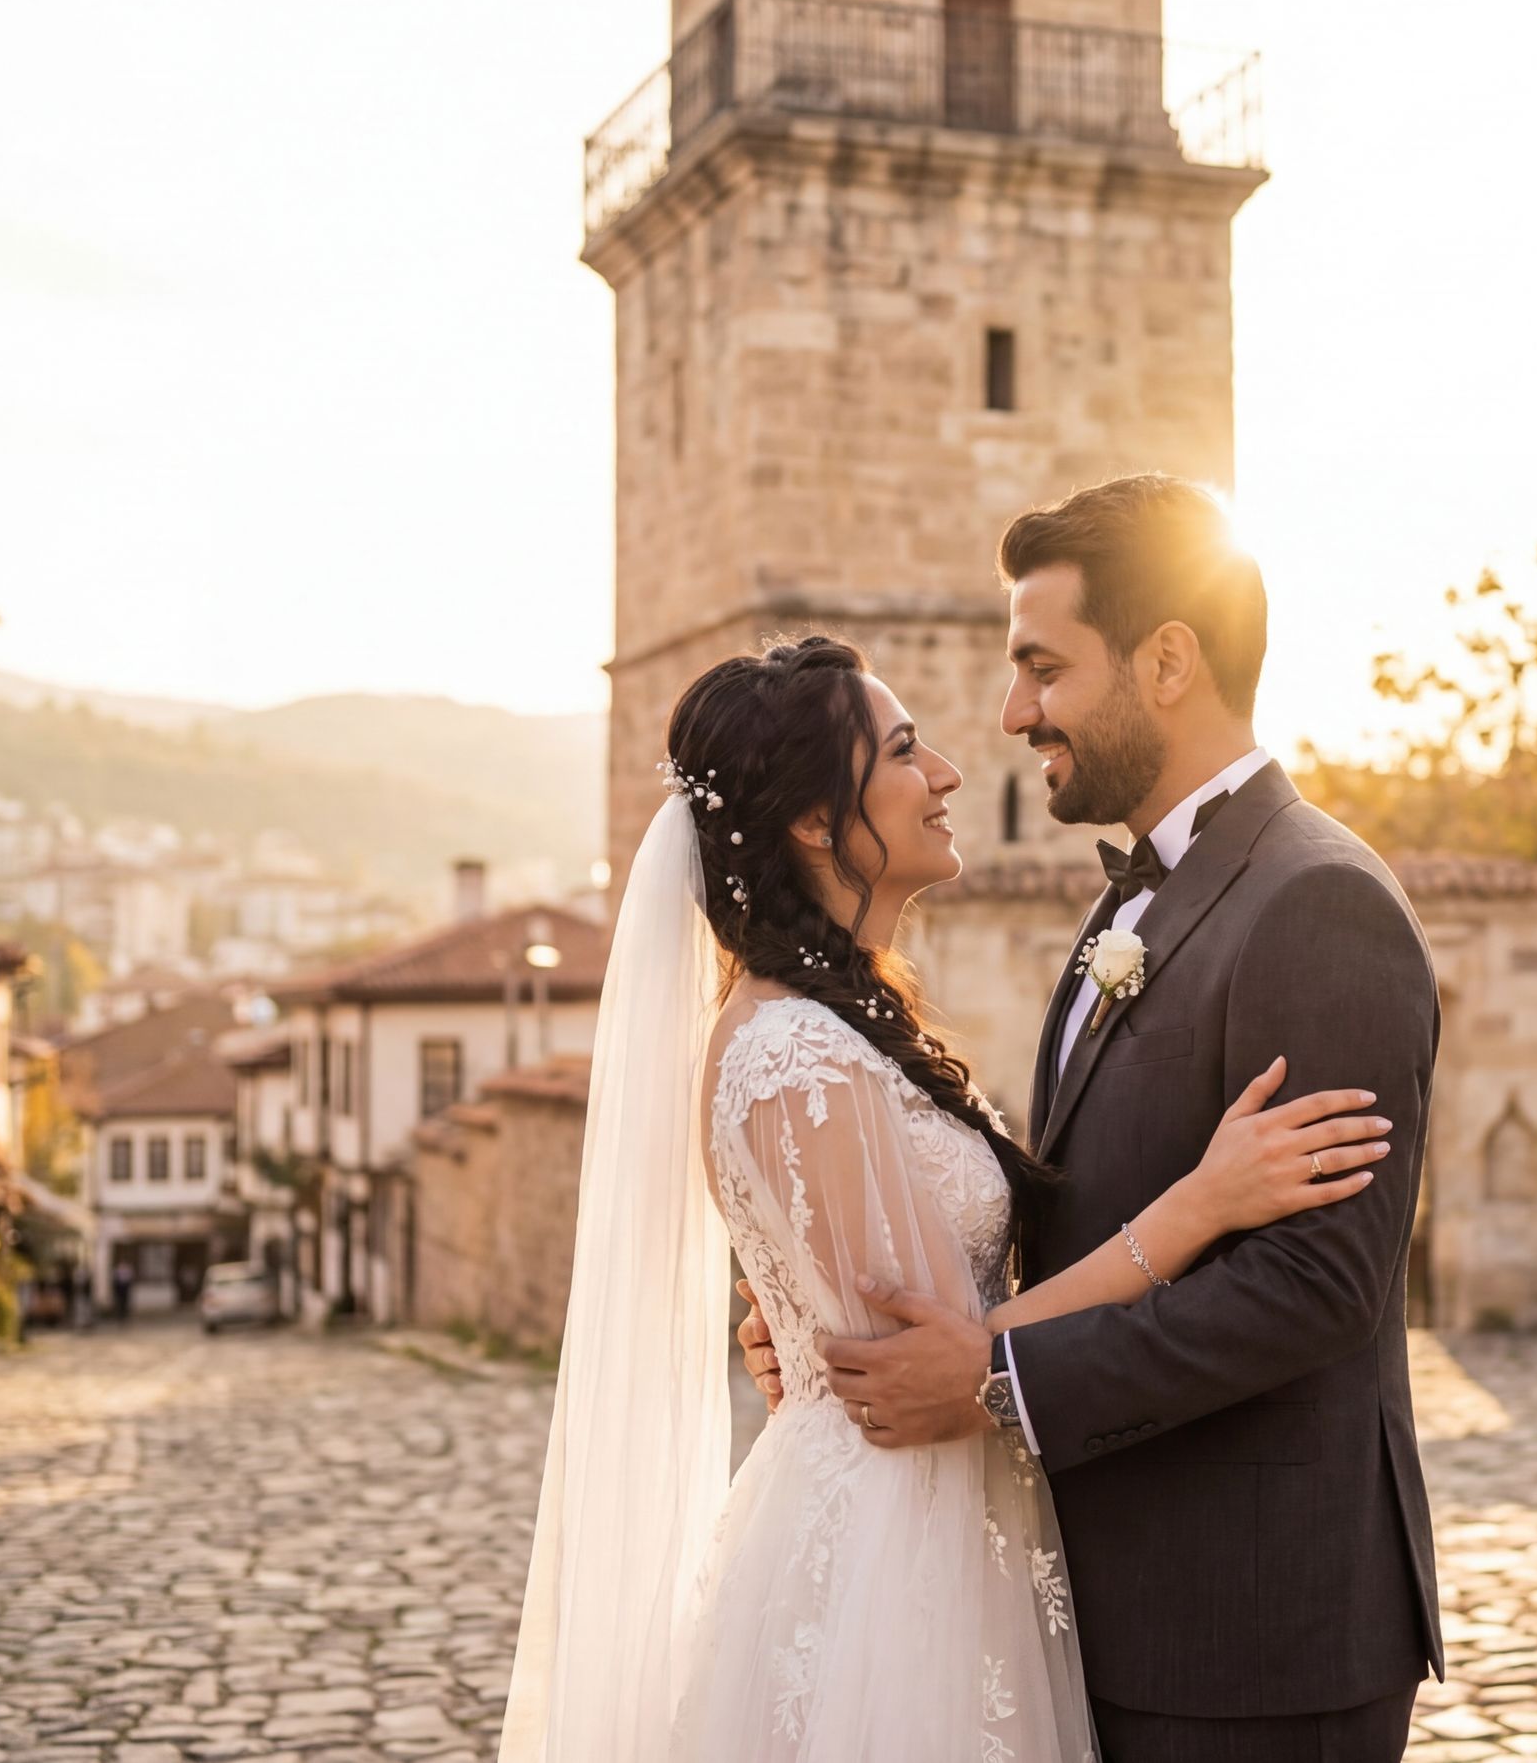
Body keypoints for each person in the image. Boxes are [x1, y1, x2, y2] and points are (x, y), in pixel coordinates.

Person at [498, 633, 1390, 1763]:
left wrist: (806, 1329)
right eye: (907, 751)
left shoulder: (841, 1024)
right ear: (818, 822)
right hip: (895, 1545)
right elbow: (942, 1361)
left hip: (936, 1508)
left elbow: (913, 1329)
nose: (953, 772)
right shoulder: (796, 1054)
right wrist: (1201, 1205)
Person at [743, 476, 1445, 1763]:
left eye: (1043, 668)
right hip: (1099, 1601)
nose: (1014, 713)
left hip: (1251, 1628)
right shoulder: (1134, 902)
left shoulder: (1318, 903)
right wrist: (836, 1300)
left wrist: (995, 1374)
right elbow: (1075, 1212)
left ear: (1167, 661)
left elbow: (1318, 1285)